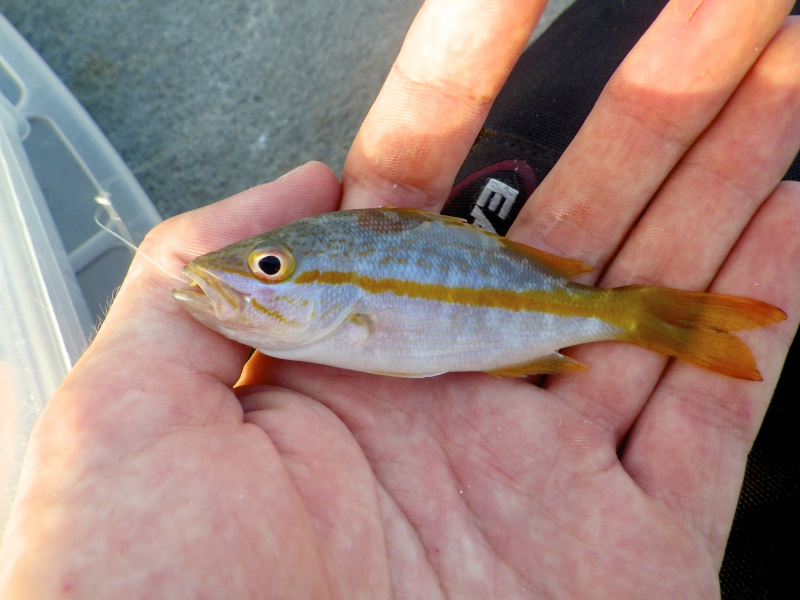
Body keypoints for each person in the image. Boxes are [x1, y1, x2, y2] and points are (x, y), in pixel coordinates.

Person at [1, 0, 799, 596]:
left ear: (334, 287)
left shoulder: (333, 318)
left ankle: (655, 317)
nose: (237, 282)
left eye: (270, 267)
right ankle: (661, 318)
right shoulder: (319, 322)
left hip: (534, 308)